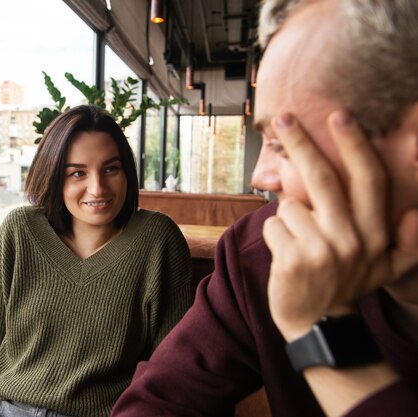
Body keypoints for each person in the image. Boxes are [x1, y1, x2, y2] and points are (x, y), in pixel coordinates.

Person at [111, 0, 418, 416]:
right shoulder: (262, 254)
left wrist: (317, 325)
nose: (259, 176)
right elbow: (154, 405)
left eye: (281, 142)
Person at [0, 104, 194, 417]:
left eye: (111, 169)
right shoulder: (19, 230)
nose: (97, 188)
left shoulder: (157, 239)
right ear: (54, 177)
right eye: (78, 173)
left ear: (127, 173)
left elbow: (171, 366)